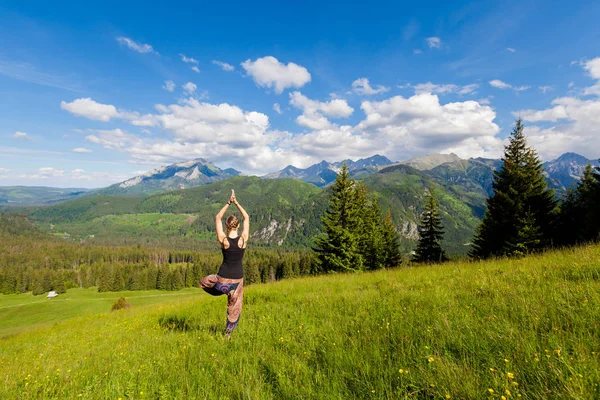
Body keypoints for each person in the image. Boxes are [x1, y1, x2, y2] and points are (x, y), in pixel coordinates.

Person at [199, 189, 249, 338]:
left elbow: (217, 217)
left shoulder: (224, 240)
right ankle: (228, 334)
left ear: (227, 226)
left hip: (222, 280)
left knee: (204, 282)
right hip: (237, 282)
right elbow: (246, 217)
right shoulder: (243, 239)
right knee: (234, 306)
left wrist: (228, 202)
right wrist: (236, 202)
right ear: (238, 226)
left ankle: (222, 289)